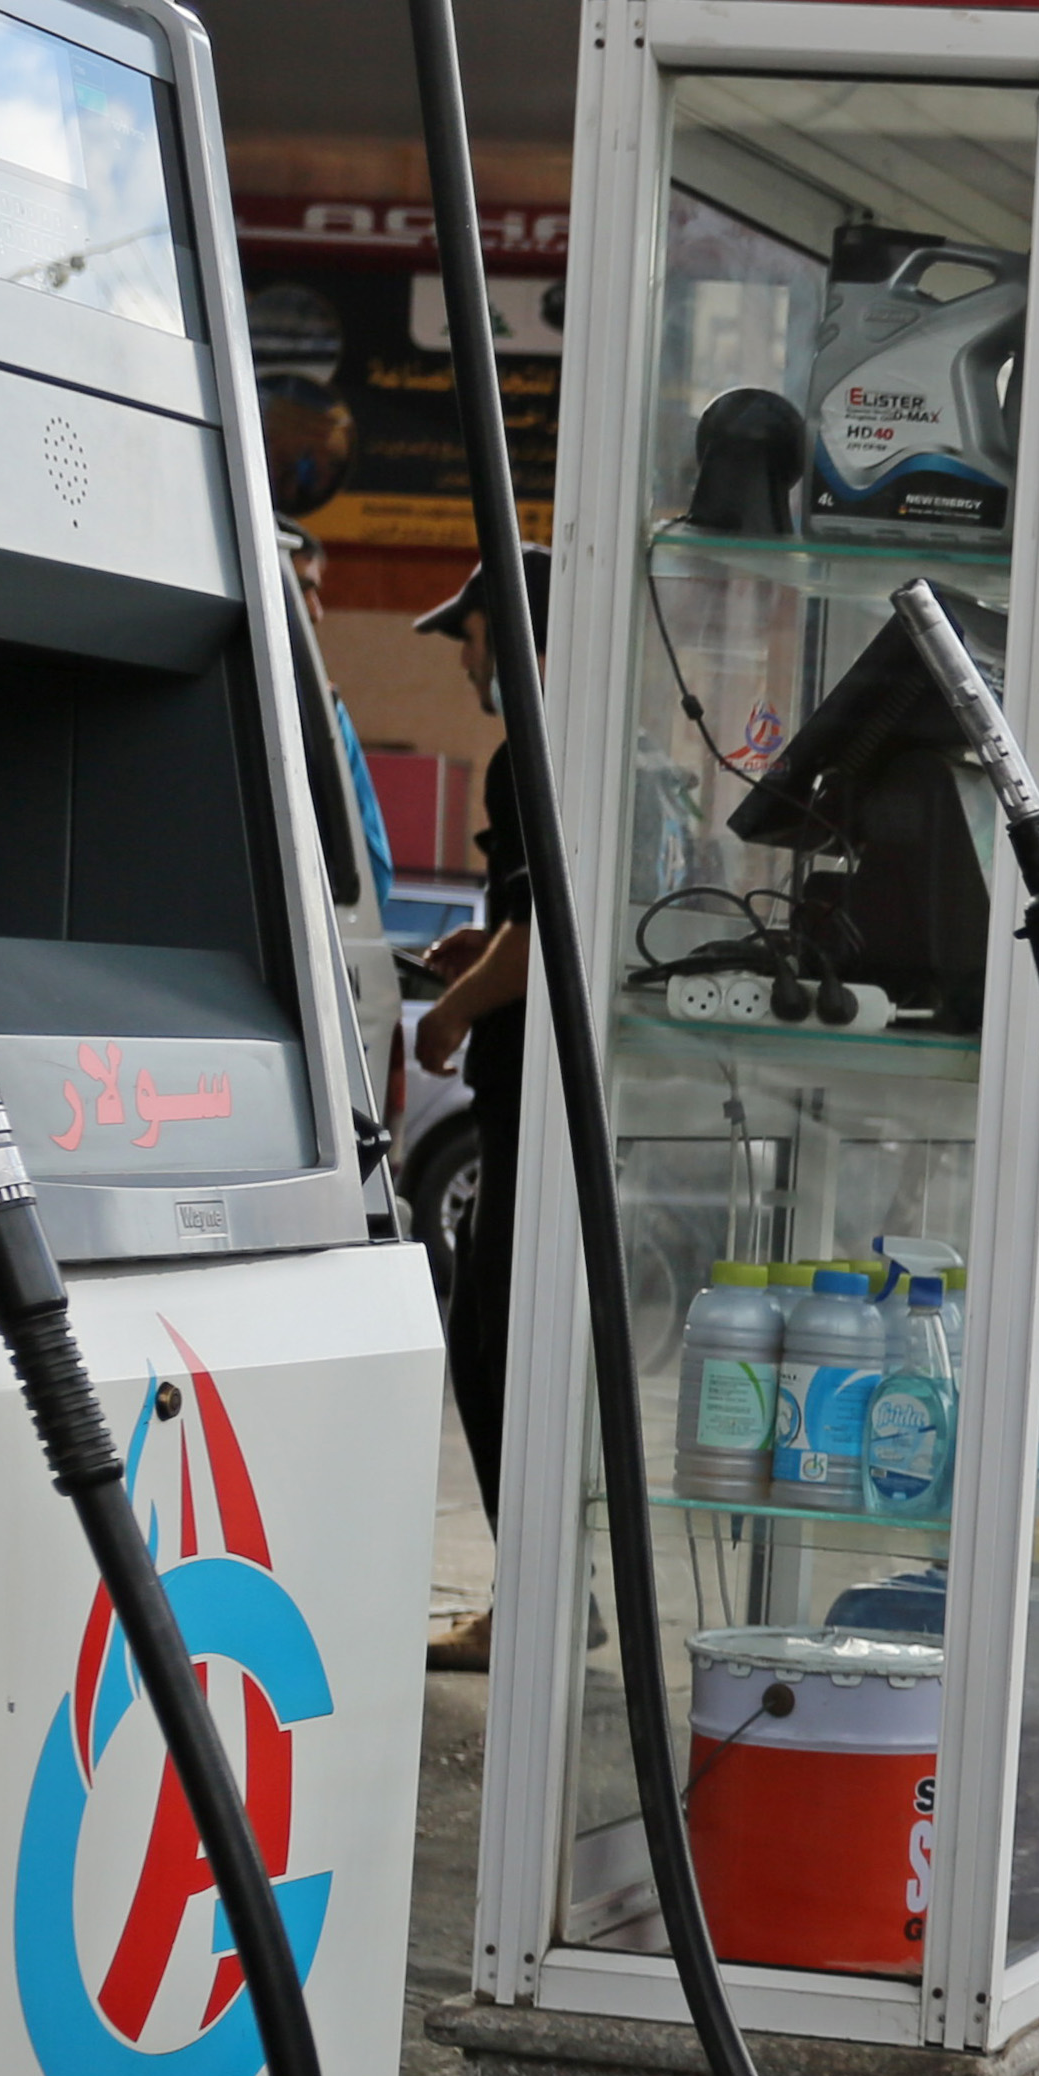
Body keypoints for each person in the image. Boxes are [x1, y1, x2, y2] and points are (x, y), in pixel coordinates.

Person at [408, 545, 548, 1672]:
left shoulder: (526, 752)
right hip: (569, 1100)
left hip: (528, 1095)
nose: (462, 656)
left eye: (467, 632)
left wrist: (452, 1010)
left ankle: (532, 1604)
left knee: (493, 1345)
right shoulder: (609, 740)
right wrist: (484, 951)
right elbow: (529, 916)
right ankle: (551, 1593)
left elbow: (535, 935)